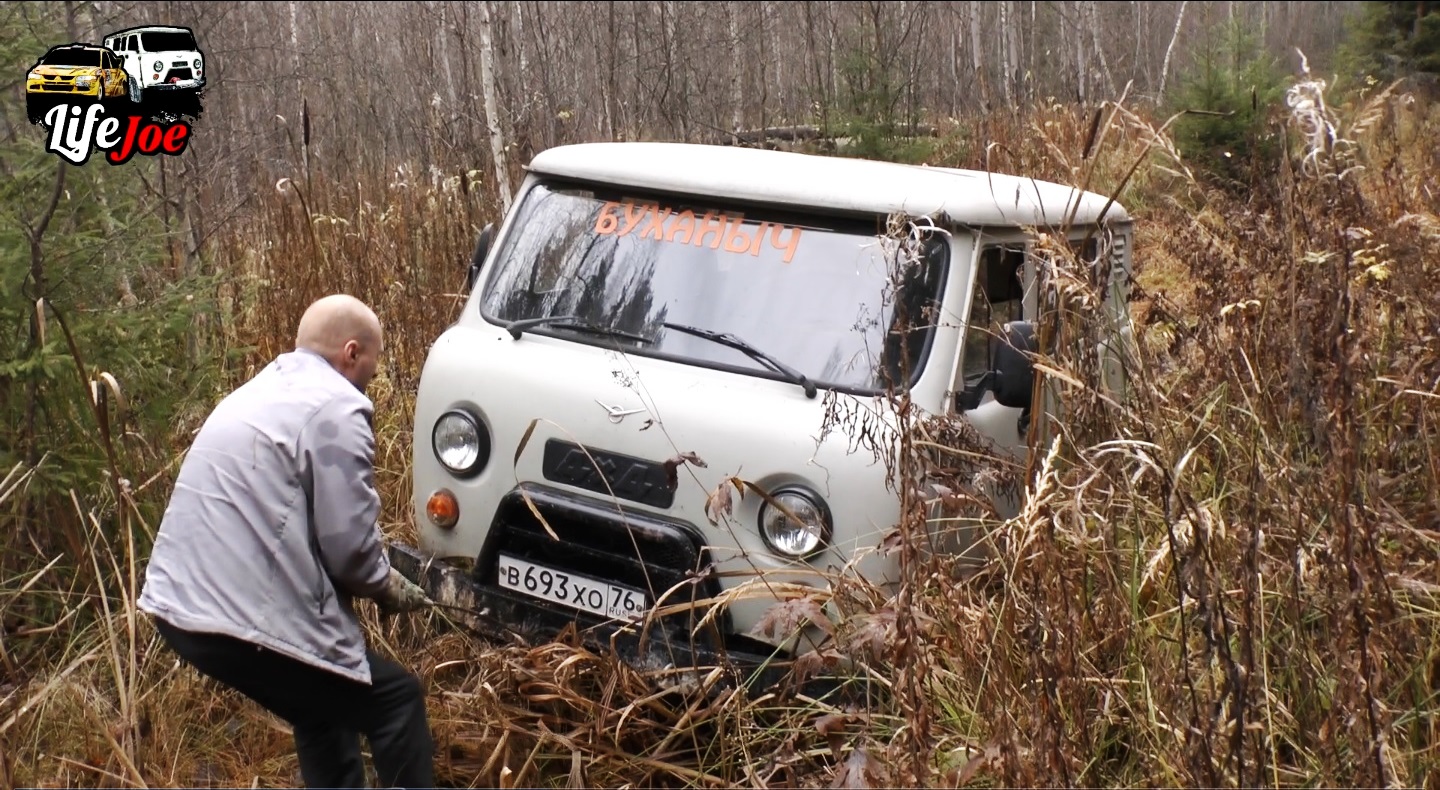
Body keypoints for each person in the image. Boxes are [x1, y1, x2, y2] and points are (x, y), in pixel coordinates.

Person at [138, 293, 436, 788]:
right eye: (374, 368)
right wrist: (387, 585)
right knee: (396, 702)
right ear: (351, 353)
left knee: (323, 706)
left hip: (177, 607)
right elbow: (350, 551)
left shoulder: (259, 391)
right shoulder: (337, 406)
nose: (373, 382)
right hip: (239, 621)